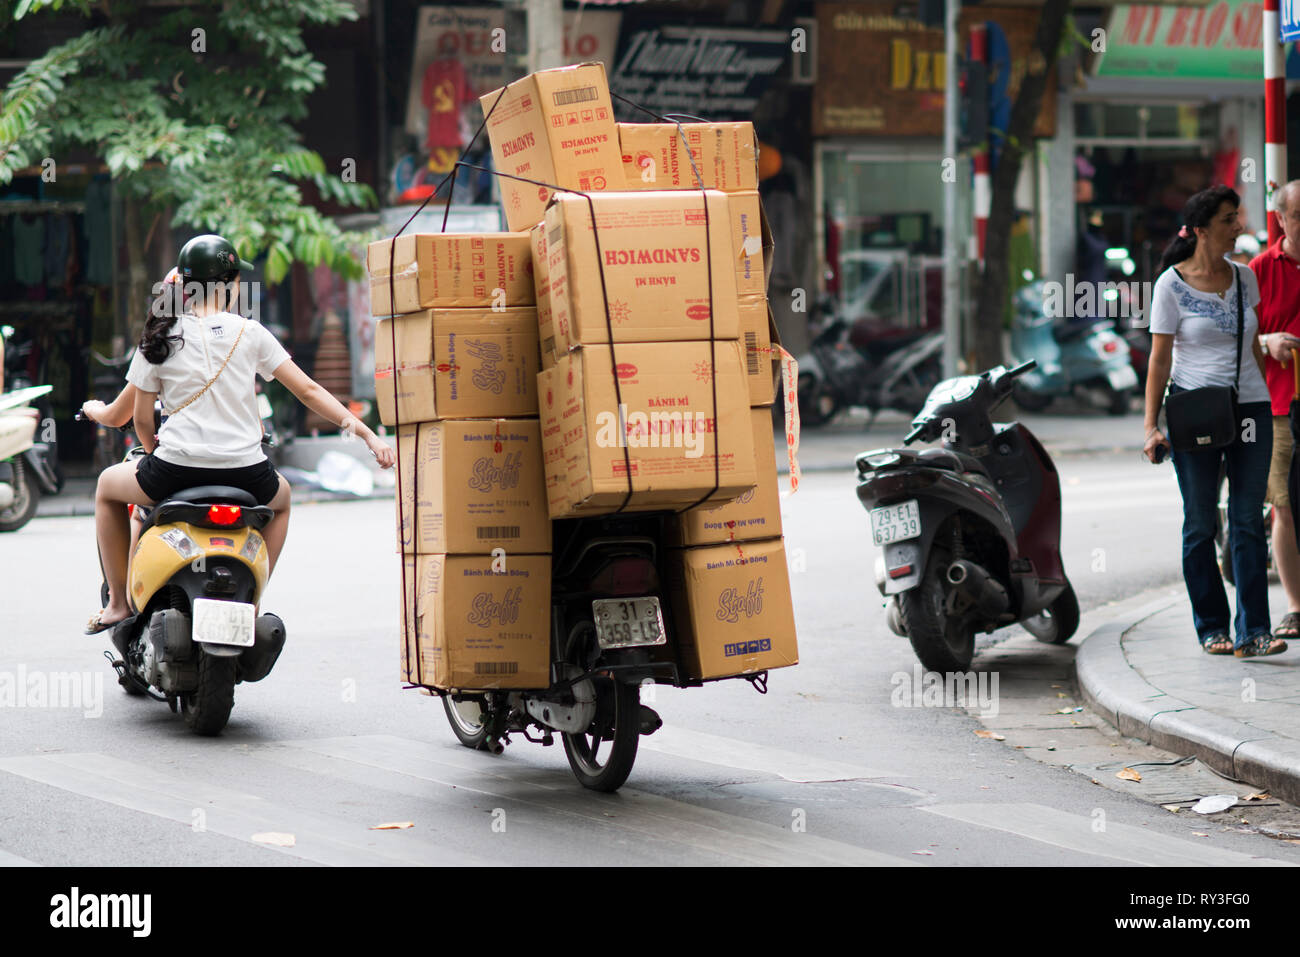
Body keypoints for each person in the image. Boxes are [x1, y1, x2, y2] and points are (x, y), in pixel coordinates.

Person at [85, 234, 395, 634]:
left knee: (107, 488)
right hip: (248, 474)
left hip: (175, 471)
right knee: (282, 502)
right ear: (230, 285)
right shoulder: (251, 334)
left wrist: (150, 450)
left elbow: (141, 420)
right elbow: (309, 391)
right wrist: (369, 436)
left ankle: (115, 604)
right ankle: (251, 595)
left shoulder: (159, 338)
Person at [1143, 185, 1285, 657]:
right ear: (1201, 230)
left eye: (1238, 218)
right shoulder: (1170, 284)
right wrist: (1151, 425)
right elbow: (1159, 361)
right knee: (1201, 523)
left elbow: (1253, 346)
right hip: (1194, 410)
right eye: (1228, 220)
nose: (1239, 227)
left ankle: (1254, 632)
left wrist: (1262, 398)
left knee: (1246, 520)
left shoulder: (1246, 278)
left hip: (1249, 409)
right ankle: (1211, 626)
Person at [1249, 181, 1300, 641]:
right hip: (1280, 408)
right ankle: (1296, 605)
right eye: (1298, 215)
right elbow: (1235, 340)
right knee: (1283, 505)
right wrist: (1267, 342)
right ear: (1280, 219)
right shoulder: (1259, 270)